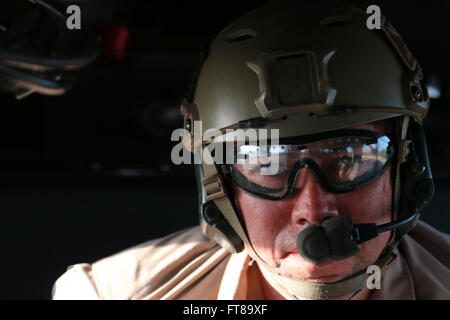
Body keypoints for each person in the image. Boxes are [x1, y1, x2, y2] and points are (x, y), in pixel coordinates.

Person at [52, 0, 450, 300]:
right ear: (221, 185)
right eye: (266, 162)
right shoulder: (111, 294)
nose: (312, 210)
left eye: (349, 159)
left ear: (405, 168)